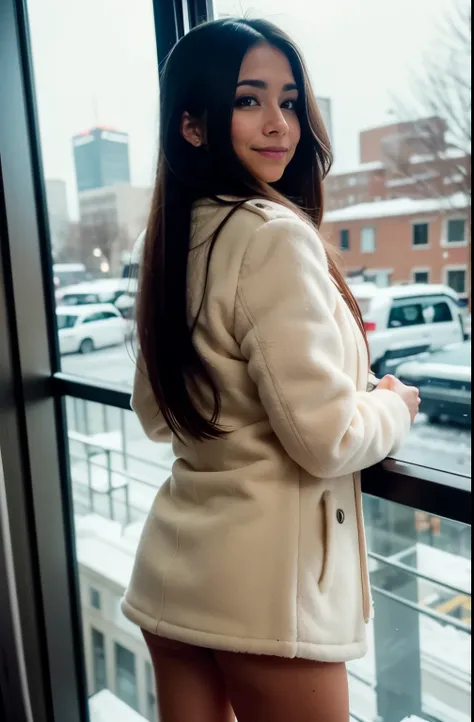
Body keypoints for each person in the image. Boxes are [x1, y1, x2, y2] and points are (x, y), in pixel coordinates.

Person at [121, 17, 420, 722]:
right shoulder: (271, 238)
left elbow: (156, 415)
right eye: (249, 99)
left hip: (175, 571)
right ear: (192, 125)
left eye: (289, 101)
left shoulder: (172, 238)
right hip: (266, 605)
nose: (279, 123)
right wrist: (393, 407)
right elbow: (328, 439)